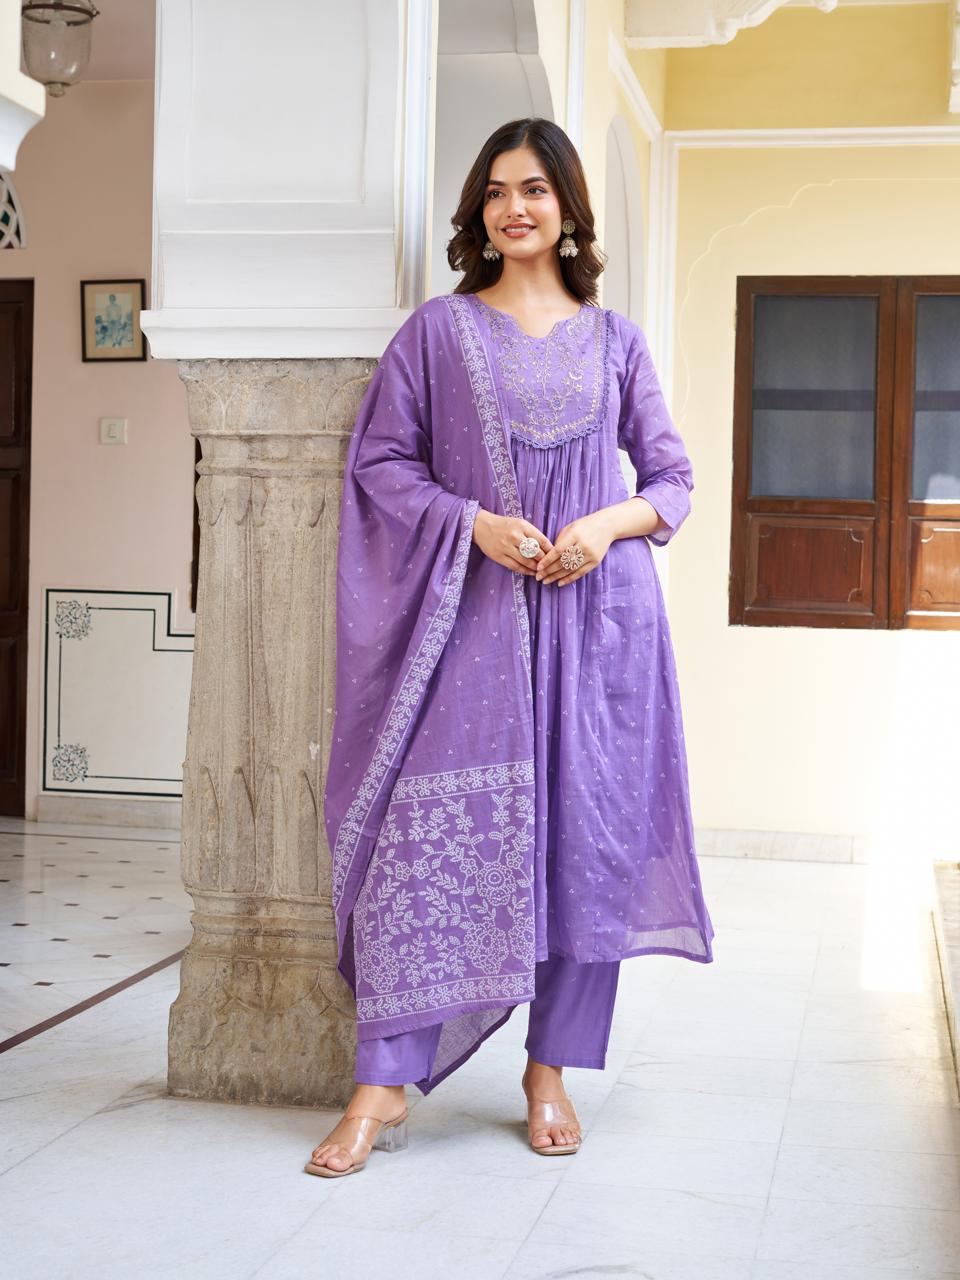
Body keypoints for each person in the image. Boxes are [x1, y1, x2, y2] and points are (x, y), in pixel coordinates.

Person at [306, 117, 715, 1177]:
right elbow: (382, 463)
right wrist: (472, 524)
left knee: (587, 851)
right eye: (495, 192)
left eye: (533, 189)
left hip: (600, 633)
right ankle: (381, 1083)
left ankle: (551, 1072)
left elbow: (671, 479)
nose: (512, 208)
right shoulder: (438, 335)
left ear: (570, 207)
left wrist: (604, 525)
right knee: (422, 848)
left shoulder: (617, 339)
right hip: (470, 629)